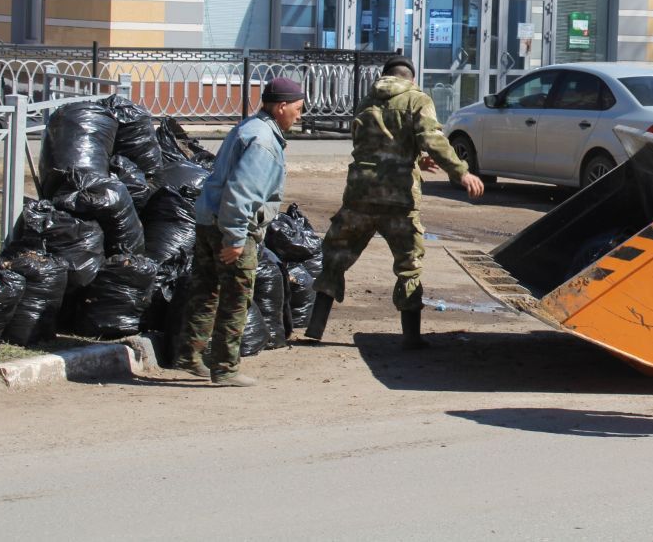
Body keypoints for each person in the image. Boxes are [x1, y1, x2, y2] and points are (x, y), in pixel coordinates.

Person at [306, 56, 484, 348]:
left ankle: (316, 328)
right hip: (398, 199)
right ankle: (411, 338)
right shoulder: (417, 99)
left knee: (335, 259)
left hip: (359, 195)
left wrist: (413, 156)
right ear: (410, 79)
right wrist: (461, 172)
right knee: (408, 265)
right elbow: (433, 139)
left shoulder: (366, 101)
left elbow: (369, 145)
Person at [175, 77, 305, 387]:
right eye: (297, 110)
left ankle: (190, 356)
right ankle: (225, 369)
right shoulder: (263, 142)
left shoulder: (248, 127)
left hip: (209, 221)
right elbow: (241, 193)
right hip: (232, 228)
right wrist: (234, 238)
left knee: (205, 291)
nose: (299, 117)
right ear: (281, 106)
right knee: (236, 299)